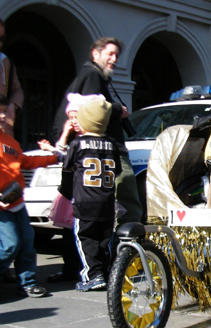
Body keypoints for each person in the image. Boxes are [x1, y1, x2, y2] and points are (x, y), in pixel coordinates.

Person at [0, 87, 59, 298]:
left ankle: (27, 282)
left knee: (27, 243)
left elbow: (25, 161)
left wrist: (54, 157)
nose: (4, 115)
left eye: (5, 111)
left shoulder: (9, 140)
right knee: (9, 245)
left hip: (17, 202)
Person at [52, 37, 143, 224]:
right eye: (110, 54)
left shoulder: (93, 76)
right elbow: (94, 109)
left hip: (100, 153)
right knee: (128, 202)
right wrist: (119, 109)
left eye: (117, 55)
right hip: (110, 150)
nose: (115, 59)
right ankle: (128, 246)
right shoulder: (92, 76)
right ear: (95, 54)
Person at [61, 95, 122, 292]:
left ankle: (92, 274)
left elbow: (68, 168)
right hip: (107, 202)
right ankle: (106, 272)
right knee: (105, 240)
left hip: (85, 202)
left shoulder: (77, 144)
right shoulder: (112, 145)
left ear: (86, 122)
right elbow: (117, 171)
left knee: (85, 239)